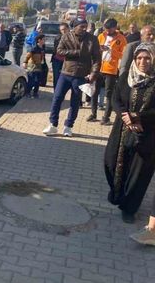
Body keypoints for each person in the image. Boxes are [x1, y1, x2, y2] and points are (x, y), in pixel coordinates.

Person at [104, 43, 155, 226]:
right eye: (139, 58)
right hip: (122, 130)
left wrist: (138, 117)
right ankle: (116, 194)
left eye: (147, 58)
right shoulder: (126, 76)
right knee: (112, 163)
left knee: (138, 174)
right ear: (134, 59)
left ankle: (129, 208)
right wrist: (125, 116)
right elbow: (115, 98)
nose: (143, 62)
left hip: (146, 134)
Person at [43, 17, 101, 137]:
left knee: (75, 102)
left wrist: (94, 74)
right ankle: (53, 124)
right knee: (57, 98)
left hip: (81, 75)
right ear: (75, 27)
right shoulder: (66, 36)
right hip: (65, 73)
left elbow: (97, 58)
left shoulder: (92, 39)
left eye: (86, 27)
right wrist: (76, 52)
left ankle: (68, 126)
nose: (84, 29)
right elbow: (59, 51)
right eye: (81, 27)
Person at [87, 18, 127, 125]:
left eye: (109, 29)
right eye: (106, 29)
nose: (107, 31)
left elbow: (123, 55)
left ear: (115, 27)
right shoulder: (101, 36)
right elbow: (94, 50)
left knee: (109, 94)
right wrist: (99, 49)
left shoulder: (121, 39)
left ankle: (106, 117)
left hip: (111, 70)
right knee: (94, 92)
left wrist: (111, 50)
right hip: (98, 68)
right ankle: (93, 114)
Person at [50, 23, 67, 88]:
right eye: (62, 30)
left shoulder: (72, 38)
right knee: (56, 78)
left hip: (66, 61)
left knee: (64, 79)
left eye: (65, 29)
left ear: (68, 29)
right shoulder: (58, 38)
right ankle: (56, 94)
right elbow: (56, 49)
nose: (63, 31)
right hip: (57, 60)